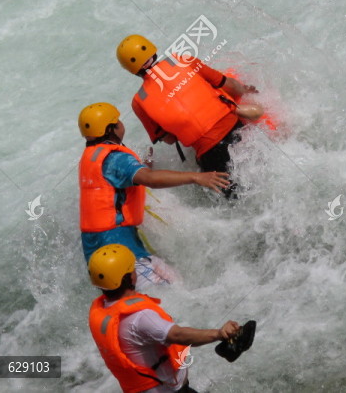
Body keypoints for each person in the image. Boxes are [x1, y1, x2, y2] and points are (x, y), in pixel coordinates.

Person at [78, 103, 230, 287]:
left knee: (175, 283)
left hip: (99, 252)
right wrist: (196, 177)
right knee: (169, 294)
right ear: (111, 128)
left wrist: (143, 167)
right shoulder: (116, 158)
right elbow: (148, 179)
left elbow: (118, 183)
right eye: (117, 121)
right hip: (118, 249)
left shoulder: (90, 157)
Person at [116, 35, 263, 200]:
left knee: (235, 199)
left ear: (130, 69)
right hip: (237, 129)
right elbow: (227, 84)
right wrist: (244, 91)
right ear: (152, 49)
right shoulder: (182, 59)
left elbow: (170, 139)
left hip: (210, 154)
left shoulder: (138, 102)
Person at [87, 244, 245, 393]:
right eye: (132, 269)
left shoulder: (103, 309)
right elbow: (178, 335)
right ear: (129, 278)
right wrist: (219, 334)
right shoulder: (140, 318)